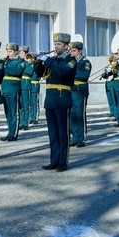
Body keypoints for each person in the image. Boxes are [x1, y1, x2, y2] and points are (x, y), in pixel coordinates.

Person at [36, 33, 76, 171]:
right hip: (51, 99)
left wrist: (47, 60)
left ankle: (62, 162)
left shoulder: (71, 60)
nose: (56, 46)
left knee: (62, 133)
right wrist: (37, 62)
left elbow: (62, 72)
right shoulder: (53, 60)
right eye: (55, 44)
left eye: (59, 44)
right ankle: (54, 160)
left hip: (62, 99)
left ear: (66, 46)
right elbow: (40, 74)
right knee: (52, 133)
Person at [69, 41, 92, 147]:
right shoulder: (70, 62)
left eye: (74, 51)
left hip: (80, 90)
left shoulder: (85, 62)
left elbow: (84, 75)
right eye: (71, 51)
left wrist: (72, 74)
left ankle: (81, 138)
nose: (72, 53)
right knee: (72, 114)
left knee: (80, 114)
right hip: (72, 90)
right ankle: (75, 137)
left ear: (80, 51)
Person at [1, 43, 24, 142]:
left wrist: (5, 66)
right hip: (5, 88)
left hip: (14, 89)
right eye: (7, 51)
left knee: (14, 112)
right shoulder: (6, 61)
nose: (8, 53)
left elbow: (17, 72)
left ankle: (14, 134)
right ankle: (9, 132)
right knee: (8, 112)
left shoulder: (20, 61)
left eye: (10, 51)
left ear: (15, 52)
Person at [19, 46, 34, 131]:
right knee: (21, 105)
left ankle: (26, 123)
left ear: (25, 54)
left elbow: (29, 72)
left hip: (26, 84)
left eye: (22, 53)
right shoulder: (20, 62)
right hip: (20, 85)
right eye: (20, 53)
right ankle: (21, 122)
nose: (20, 54)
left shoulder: (29, 63)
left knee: (26, 104)